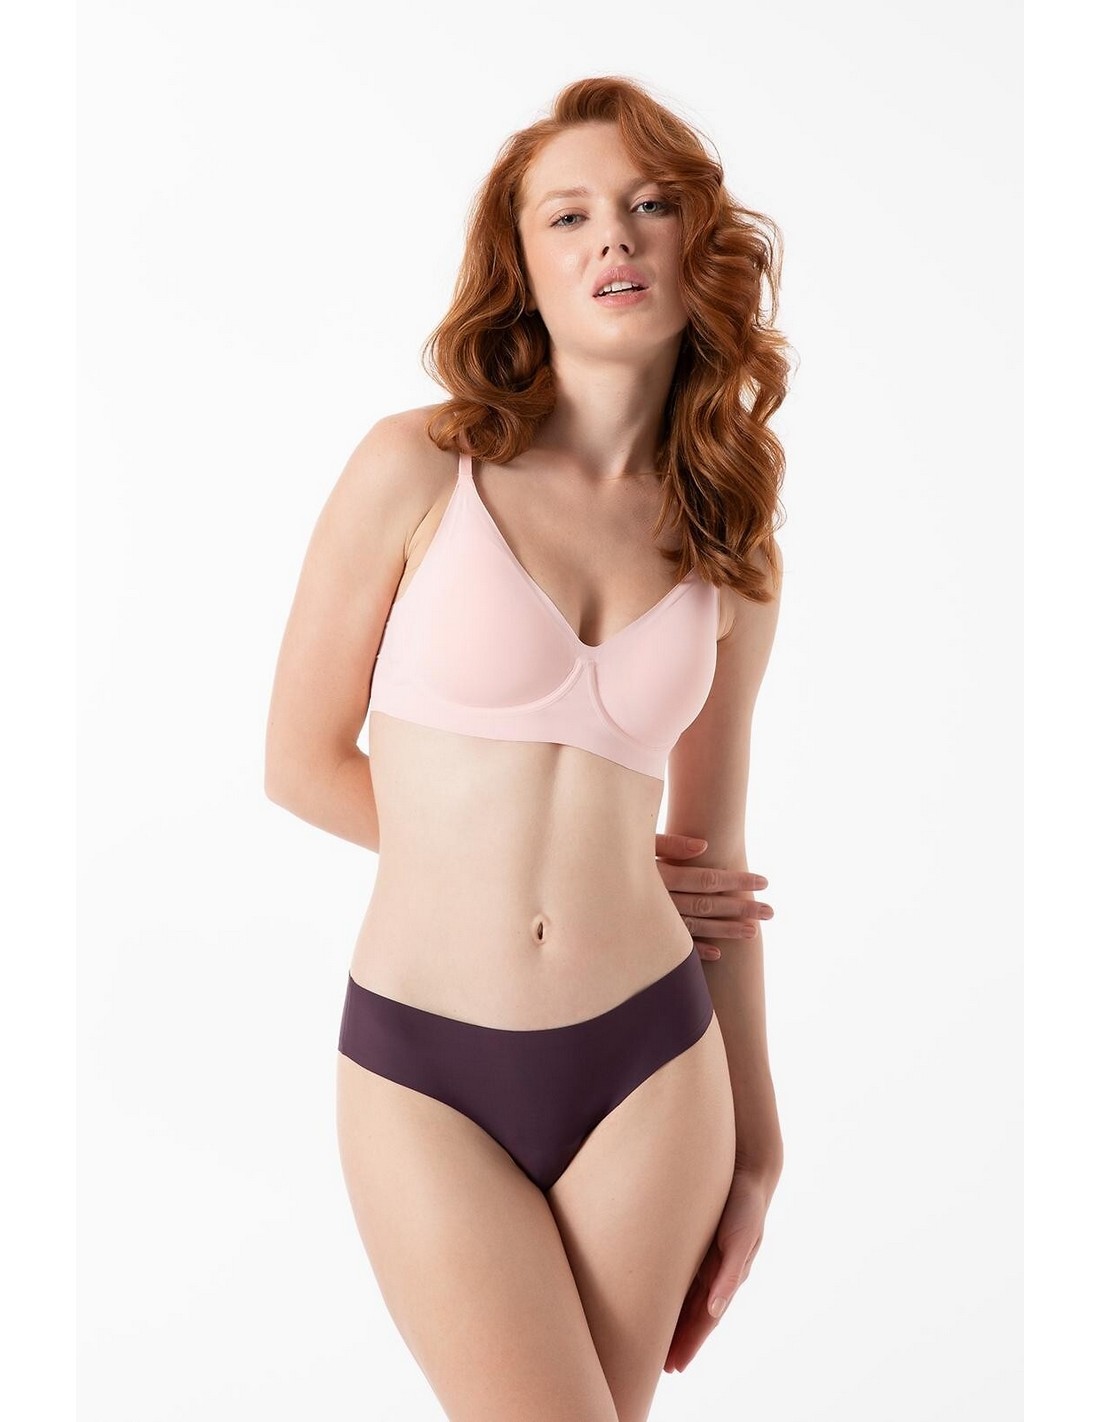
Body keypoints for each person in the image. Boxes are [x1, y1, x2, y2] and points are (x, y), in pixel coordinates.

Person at [265, 74, 790, 1422]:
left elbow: (715, 863)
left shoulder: (731, 548)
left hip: (655, 1066)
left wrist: (760, 1145)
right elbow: (301, 758)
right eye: (569, 215)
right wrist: (502, 858)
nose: (613, 234)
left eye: (648, 204)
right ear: (525, 271)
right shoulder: (415, 467)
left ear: (697, 244)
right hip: (425, 1064)